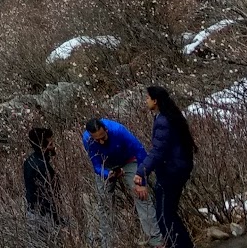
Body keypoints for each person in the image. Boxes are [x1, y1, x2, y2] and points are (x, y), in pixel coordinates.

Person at [83, 116, 163, 248]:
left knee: (141, 195)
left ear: (106, 130)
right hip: (106, 166)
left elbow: (140, 151)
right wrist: (109, 174)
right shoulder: (87, 140)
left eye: (103, 137)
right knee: (104, 203)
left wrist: (141, 180)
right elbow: (96, 165)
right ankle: (107, 243)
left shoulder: (119, 131)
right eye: (97, 140)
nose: (101, 142)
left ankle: (156, 240)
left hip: (128, 160)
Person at [138, 86, 197, 248]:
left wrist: (141, 171)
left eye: (148, 98)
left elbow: (158, 151)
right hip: (179, 169)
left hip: (170, 172)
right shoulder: (170, 116)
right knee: (168, 213)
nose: (146, 101)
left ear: (155, 101)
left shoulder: (163, 121)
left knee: (164, 216)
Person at [23, 127, 64, 239]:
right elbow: (48, 194)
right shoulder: (42, 166)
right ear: (43, 146)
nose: (53, 146)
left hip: (32, 210)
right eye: (51, 143)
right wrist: (56, 218)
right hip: (43, 215)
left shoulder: (30, 161)